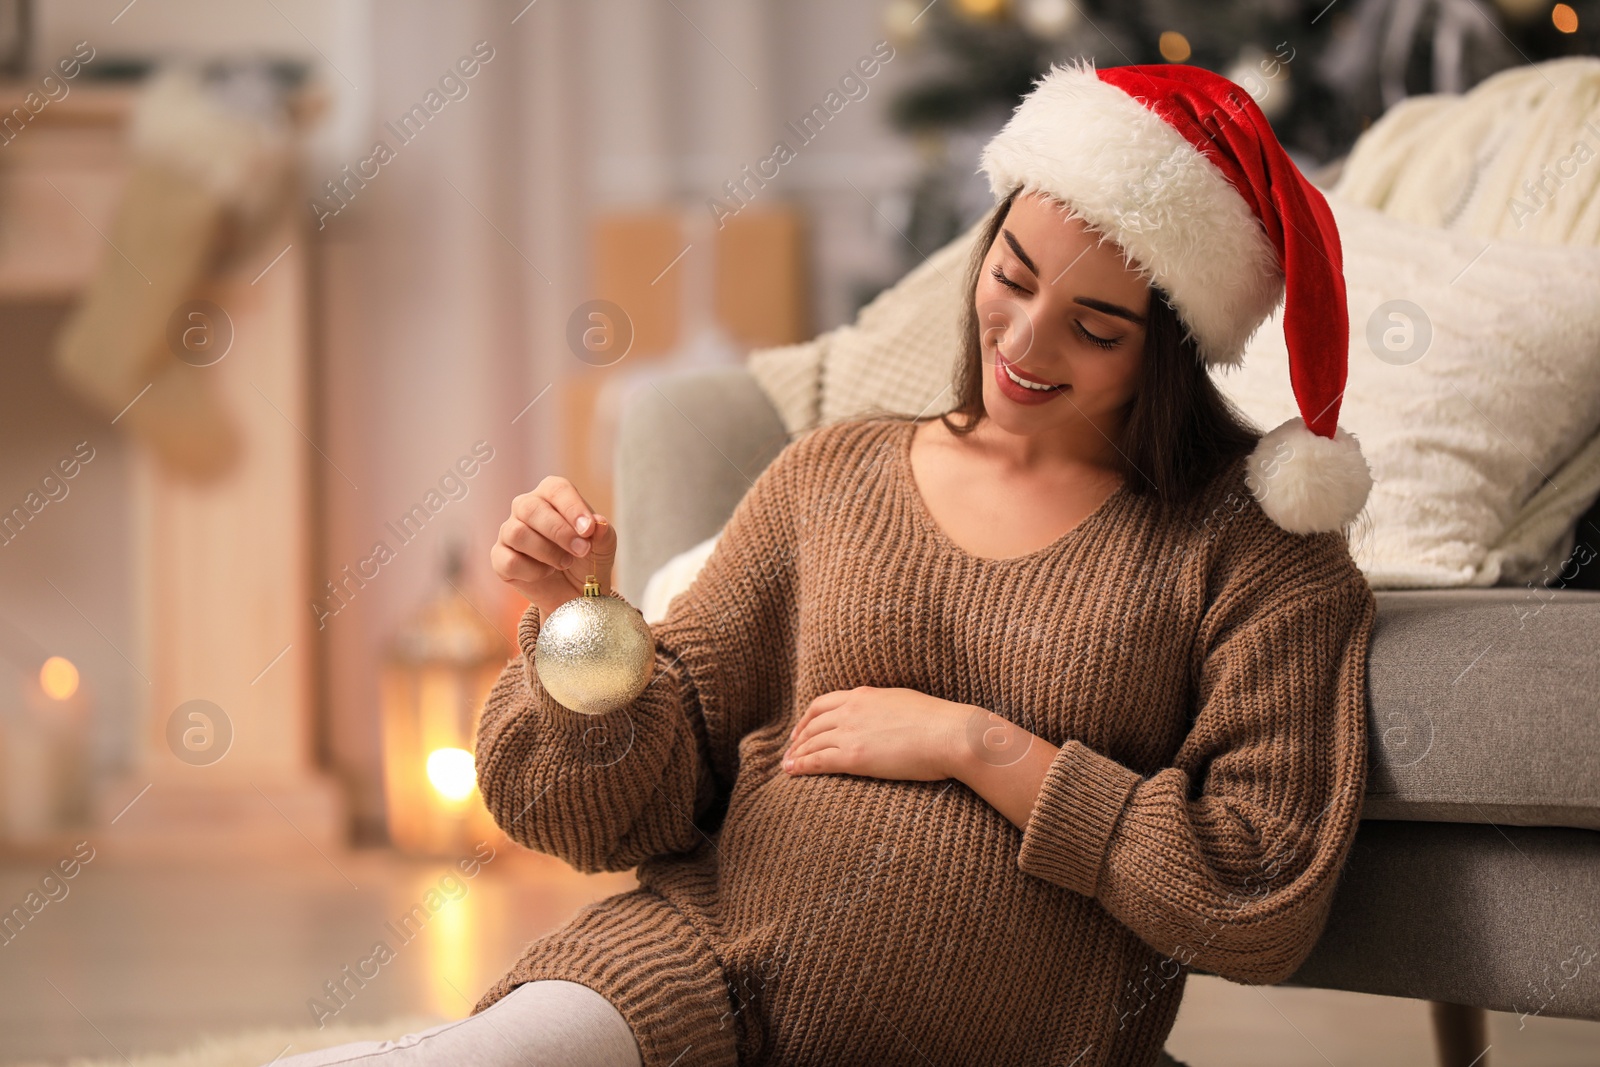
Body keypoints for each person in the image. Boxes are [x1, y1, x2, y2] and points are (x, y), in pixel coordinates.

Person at [273, 59, 1377, 1067]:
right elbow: (634, 804)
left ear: (1170, 350)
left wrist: (982, 747)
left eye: (1094, 328)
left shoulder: (1252, 554)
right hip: (691, 971)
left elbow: (1256, 889)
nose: (1025, 343)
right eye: (1012, 274)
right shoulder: (834, 474)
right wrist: (584, 627)